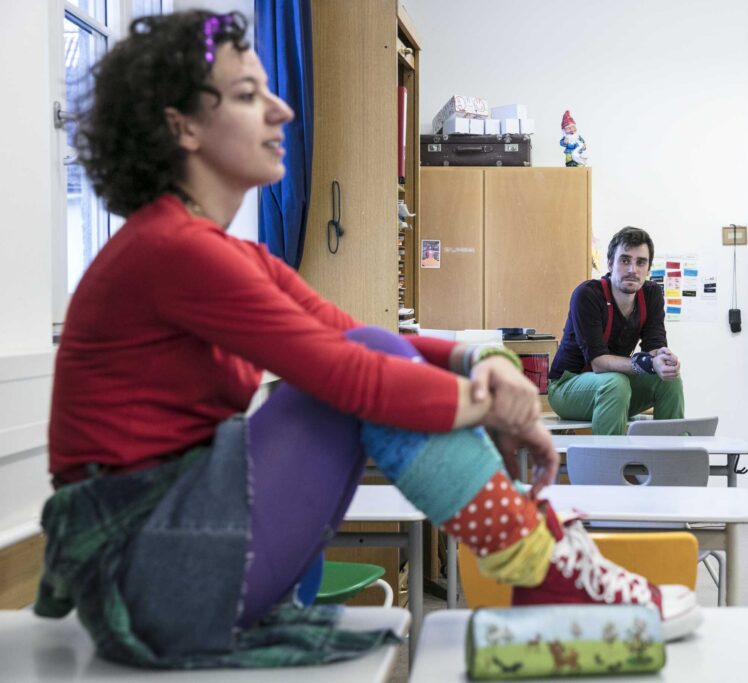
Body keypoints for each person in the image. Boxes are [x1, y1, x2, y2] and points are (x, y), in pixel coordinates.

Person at [37, 11, 700, 670]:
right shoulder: (173, 250)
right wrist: (490, 401)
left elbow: (355, 332)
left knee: (375, 354)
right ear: (181, 125)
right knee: (360, 374)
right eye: (248, 95)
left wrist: (479, 362)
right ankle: (540, 563)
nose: (283, 112)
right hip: (154, 575)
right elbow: (352, 370)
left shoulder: (211, 249)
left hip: (171, 552)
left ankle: (540, 564)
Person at [548, 227, 684, 435]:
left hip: (615, 387)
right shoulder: (587, 295)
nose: (633, 269)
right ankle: (611, 466)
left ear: (648, 269)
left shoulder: (651, 294)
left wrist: (664, 359)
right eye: (625, 260)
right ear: (610, 264)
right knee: (615, 382)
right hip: (567, 387)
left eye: (641, 262)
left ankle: (669, 461)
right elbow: (599, 362)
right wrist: (647, 363)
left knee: (668, 380)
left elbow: (654, 347)